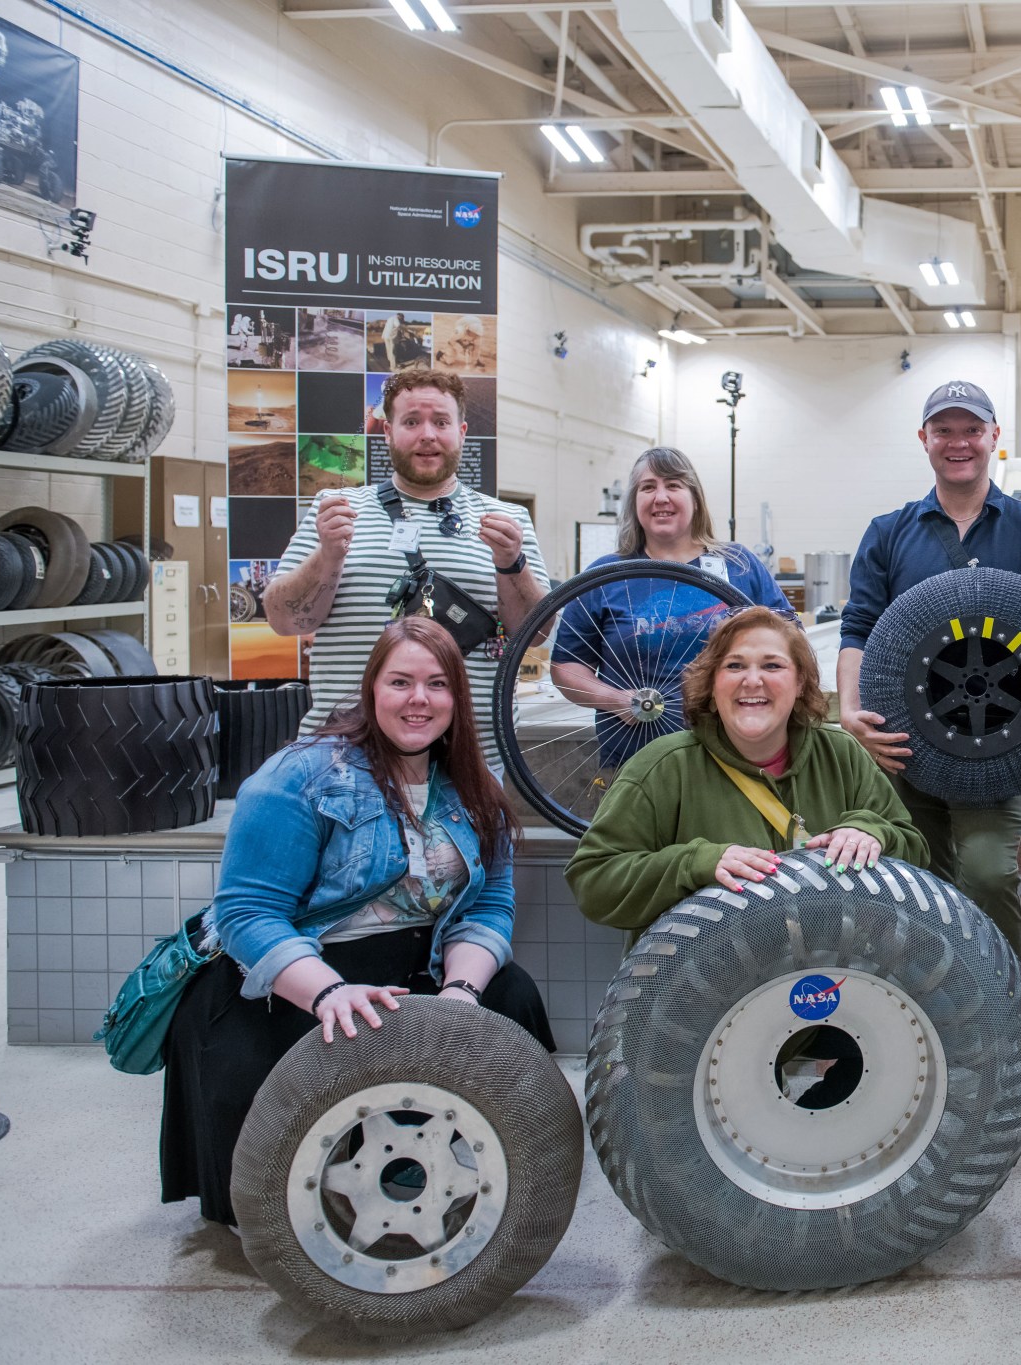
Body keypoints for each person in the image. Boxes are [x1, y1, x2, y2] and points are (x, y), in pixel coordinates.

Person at [159, 618, 554, 1225]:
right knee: (261, 1087)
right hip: (292, 974)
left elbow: (489, 906)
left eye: (436, 684)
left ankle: (497, 1172)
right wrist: (330, 993)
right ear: (372, 690)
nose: (419, 699)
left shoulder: (477, 787)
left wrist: (461, 991)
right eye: (400, 682)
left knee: (512, 995)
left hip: (419, 963)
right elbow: (246, 913)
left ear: (457, 697)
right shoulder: (302, 774)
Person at [838, 381, 1021, 954]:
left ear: (993, 437)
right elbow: (858, 627)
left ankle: (1003, 1010)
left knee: (987, 874)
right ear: (924, 439)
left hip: (998, 749)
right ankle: (936, 1012)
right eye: (944, 430)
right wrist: (848, 714)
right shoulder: (889, 533)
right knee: (917, 881)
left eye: (971, 430)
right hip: (905, 747)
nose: (958, 442)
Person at [567, 606, 929, 940]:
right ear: (711, 683)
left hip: (827, 976)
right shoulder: (662, 767)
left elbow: (914, 850)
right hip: (700, 989)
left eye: (772, 666)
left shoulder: (842, 755)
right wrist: (696, 864)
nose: (752, 681)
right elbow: (593, 881)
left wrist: (870, 832)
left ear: (801, 682)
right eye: (735, 666)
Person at [265, 365, 549, 775]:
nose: (427, 435)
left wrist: (513, 565)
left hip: (472, 759)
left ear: (462, 432)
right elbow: (284, 620)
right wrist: (326, 555)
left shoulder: (507, 519)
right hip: (347, 756)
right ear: (387, 433)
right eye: (411, 421)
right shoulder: (338, 510)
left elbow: (536, 634)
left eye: (440, 422)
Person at [550, 446, 795, 770]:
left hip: (737, 759)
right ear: (634, 501)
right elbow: (566, 666)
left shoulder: (739, 565)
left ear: (695, 498)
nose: (660, 497)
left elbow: (791, 643)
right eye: (648, 487)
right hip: (635, 762)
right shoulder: (604, 576)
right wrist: (618, 701)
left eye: (674, 485)